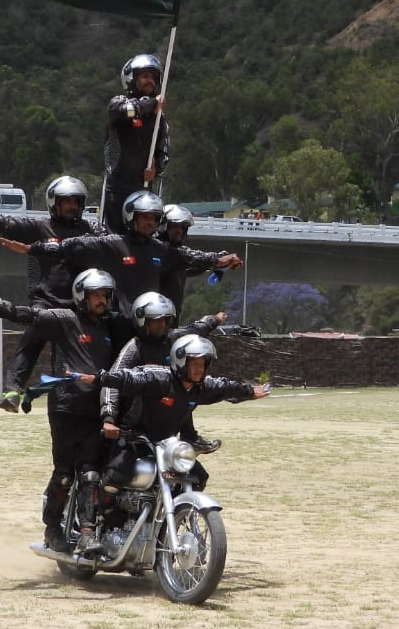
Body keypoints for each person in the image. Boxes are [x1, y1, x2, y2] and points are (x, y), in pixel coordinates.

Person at [0, 267, 119, 555]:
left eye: (105, 295)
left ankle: (89, 532)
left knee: (91, 472)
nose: (101, 301)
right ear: (81, 297)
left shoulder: (111, 328)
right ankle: (53, 527)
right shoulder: (65, 320)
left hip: (96, 410)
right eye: (96, 296)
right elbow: (31, 315)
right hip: (65, 408)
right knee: (65, 473)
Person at [0, 174, 95, 412]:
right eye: (66, 201)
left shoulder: (89, 232)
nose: (72, 206)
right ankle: (13, 390)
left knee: (82, 354)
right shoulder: (41, 227)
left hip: (77, 306)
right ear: (54, 203)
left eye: (76, 201)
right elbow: (9, 224)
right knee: (31, 341)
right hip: (46, 301)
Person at [73, 334, 270, 497]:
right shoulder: (159, 378)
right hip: (134, 439)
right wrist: (100, 377)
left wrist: (250, 391)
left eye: (203, 363)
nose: (199, 368)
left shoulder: (200, 387)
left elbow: (226, 386)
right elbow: (128, 377)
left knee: (198, 476)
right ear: (181, 361)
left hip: (166, 446)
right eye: (194, 363)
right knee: (115, 477)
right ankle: (101, 519)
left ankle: (167, 521)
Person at [2, 190, 239, 323]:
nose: (149, 222)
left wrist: (217, 260)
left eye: (154, 218)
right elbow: (70, 247)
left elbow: (190, 257)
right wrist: (33, 249)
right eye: (144, 217)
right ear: (132, 218)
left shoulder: (161, 249)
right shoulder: (112, 244)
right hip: (119, 324)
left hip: (151, 324)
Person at [101, 290, 226, 454]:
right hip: (138, 419)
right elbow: (113, 380)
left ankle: (190, 437)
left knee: (183, 387)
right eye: (157, 320)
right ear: (142, 320)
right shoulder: (135, 348)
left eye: (165, 320)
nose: (162, 324)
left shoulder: (174, 339)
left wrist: (214, 320)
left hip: (167, 412)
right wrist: (108, 417)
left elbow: (195, 330)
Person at [101, 54, 169, 232]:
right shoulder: (117, 104)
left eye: (153, 78)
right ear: (132, 79)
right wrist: (153, 102)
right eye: (145, 76)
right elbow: (129, 111)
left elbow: (163, 151)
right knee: (114, 240)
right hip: (117, 188)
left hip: (144, 190)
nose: (151, 81)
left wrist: (156, 170)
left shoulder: (159, 118)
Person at [157, 204, 217, 310]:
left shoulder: (179, 254)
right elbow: (186, 257)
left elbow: (187, 269)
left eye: (182, 227)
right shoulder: (159, 250)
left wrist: (213, 264)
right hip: (154, 316)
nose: (179, 230)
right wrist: (216, 259)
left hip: (172, 315)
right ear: (164, 226)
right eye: (175, 226)